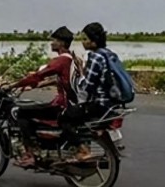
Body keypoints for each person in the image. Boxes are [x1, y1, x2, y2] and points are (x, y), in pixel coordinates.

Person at [8, 26, 81, 167]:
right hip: (71, 104)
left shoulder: (60, 61)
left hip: (62, 106)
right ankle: (40, 144)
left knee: (22, 113)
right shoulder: (72, 58)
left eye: (54, 40)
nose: (51, 43)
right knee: (35, 108)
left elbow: (37, 75)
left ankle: (31, 154)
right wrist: (36, 85)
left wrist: (12, 85)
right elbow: (61, 80)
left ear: (61, 43)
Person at [60, 22, 120, 162]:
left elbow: (87, 86)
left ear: (94, 42)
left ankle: (83, 149)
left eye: (85, 39)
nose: (82, 42)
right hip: (110, 103)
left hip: (99, 104)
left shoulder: (95, 57)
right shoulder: (109, 54)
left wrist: (80, 74)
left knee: (64, 117)